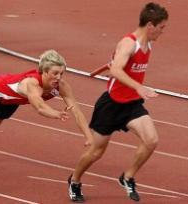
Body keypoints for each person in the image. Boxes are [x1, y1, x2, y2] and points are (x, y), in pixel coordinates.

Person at [68, 2, 168, 202]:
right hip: (111, 105)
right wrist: (139, 86)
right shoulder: (128, 43)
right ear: (150, 25)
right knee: (96, 152)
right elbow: (115, 70)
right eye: (161, 27)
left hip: (131, 104)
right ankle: (75, 180)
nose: (162, 32)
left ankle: (127, 177)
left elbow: (120, 66)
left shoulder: (147, 43)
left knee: (151, 141)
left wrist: (135, 89)